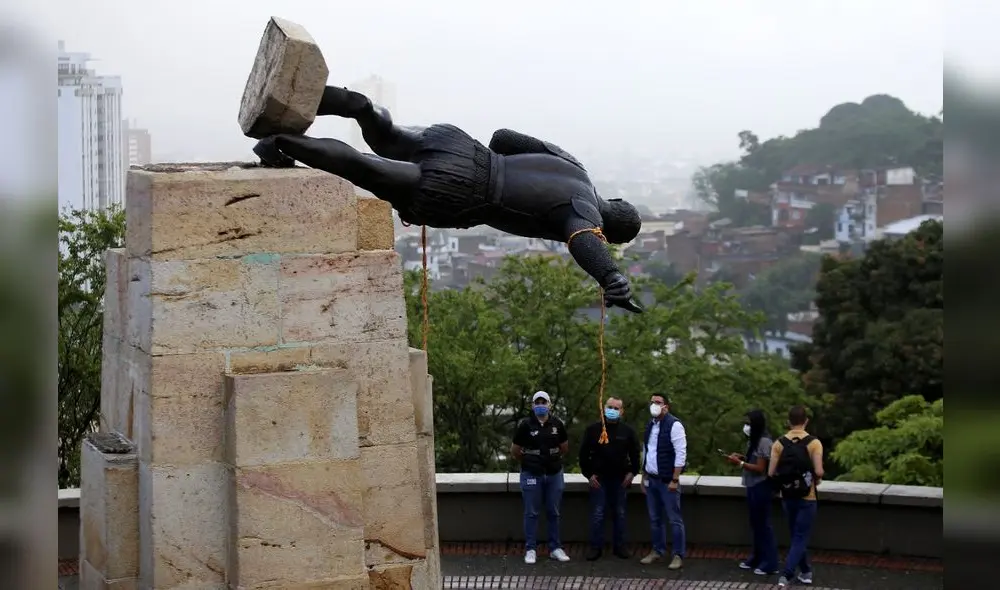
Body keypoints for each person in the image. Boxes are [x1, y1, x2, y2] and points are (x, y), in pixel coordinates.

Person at [251, 85, 643, 313]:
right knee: (367, 167)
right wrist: (610, 277)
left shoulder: (573, 165)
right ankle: (281, 142)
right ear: (612, 231)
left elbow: (503, 138)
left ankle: (348, 103)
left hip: (460, 146)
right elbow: (584, 241)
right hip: (464, 190)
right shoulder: (584, 215)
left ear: (616, 198)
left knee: (385, 133)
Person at [510, 391, 571, 564]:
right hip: (531, 474)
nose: (541, 405)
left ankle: (555, 548)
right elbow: (515, 450)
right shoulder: (525, 425)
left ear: (550, 405)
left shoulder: (557, 424)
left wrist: (551, 459)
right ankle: (530, 549)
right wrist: (530, 461)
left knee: (554, 512)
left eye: (544, 402)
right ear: (532, 405)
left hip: (553, 474)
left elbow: (564, 448)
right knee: (531, 512)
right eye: (538, 402)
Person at [768, 405, 825, 587]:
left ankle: (806, 572)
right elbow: (819, 471)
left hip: (787, 495)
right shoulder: (814, 443)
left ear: (788, 422)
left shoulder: (778, 443)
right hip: (807, 497)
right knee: (800, 537)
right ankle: (787, 574)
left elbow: (771, 472)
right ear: (806, 421)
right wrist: (816, 477)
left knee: (796, 537)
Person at [578, 397, 640, 561]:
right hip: (599, 480)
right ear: (603, 408)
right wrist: (589, 474)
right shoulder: (592, 430)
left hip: (620, 480)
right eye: (609, 406)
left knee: (620, 513)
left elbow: (635, 455)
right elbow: (583, 456)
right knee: (598, 513)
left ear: (621, 411)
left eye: (616, 408)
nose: (612, 410)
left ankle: (620, 547)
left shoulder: (628, 432)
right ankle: (595, 548)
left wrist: (632, 473)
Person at [725, 409, 779, 576]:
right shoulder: (753, 441)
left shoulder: (763, 441)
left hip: (761, 486)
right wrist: (741, 457)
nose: (745, 427)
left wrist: (739, 463)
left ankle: (770, 562)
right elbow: (753, 459)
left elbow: (761, 468)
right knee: (755, 524)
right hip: (752, 485)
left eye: (748, 423)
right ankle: (757, 557)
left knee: (763, 525)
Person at [638, 394, 687, 569]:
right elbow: (647, 451)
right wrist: (644, 476)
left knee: (674, 519)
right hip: (652, 479)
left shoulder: (675, 425)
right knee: (655, 518)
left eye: (658, 403)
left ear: (666, 406)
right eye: (652, 402)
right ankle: (657, 550)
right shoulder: (650, 425)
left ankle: (678, 554)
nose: (654, 405)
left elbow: (681, 454)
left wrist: (675, 479)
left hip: (668, 481)